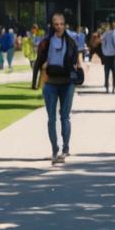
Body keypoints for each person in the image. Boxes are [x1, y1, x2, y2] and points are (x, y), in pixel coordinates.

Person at [35, 11, 82, 164]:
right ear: (52, 25)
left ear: (65, 25)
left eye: (61, 24)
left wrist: (78, 72)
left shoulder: (71, 41)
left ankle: (65, 149)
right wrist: (37, 81)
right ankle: (54, 150)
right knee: (51, 118)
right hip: (50, 84)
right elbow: (38, 61)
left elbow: (76, 59)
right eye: (56, 24)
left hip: (67, 83)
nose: (59, 26)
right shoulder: (46, 42)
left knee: (65, 116)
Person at [99, 22, 115, 92]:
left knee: (106, 71)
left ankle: (107, 87)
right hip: (113, 55)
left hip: (106, 54)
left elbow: (101, 39)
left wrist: (104, 49)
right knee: (114, 72)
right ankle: (113, 87)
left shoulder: (106, 33)